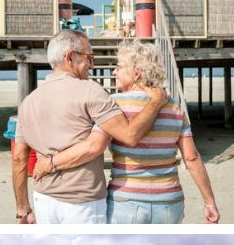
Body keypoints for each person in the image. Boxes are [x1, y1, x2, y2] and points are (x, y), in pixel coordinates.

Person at [32, 40, 219, 223]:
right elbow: (192, 158)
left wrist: (49, 164)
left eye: (119, 67)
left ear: (136, 73)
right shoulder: (174, 107)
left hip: (127, 200)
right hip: (169, 202)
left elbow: (93, 146)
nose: (114, 71)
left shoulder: (114, 105)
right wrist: (209, 202)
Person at [13, 30, 168, 224]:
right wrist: (155, 103)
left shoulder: (27, 102)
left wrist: (22, 208)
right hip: (82, 201)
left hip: (43, 198)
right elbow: (129, 135)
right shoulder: (91, 91)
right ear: (70, 57)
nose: (92, 65)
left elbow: (19, 158)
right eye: (89, 58)